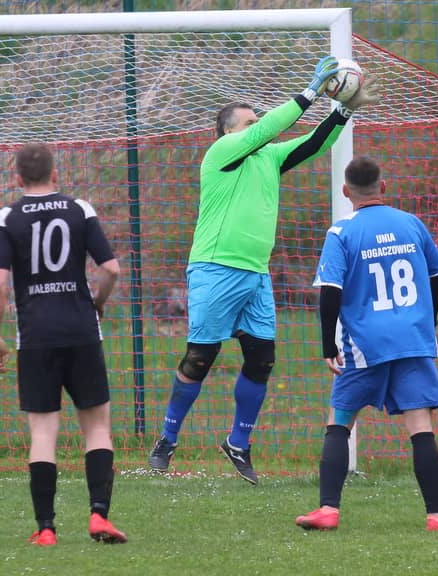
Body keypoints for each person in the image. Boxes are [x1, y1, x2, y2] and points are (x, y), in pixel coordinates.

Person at [147, 56, 380, 485]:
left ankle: (238, 442)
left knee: (261, 359)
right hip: (215, 268)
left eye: (257, 120)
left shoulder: (268, 158)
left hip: (255, 275)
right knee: (200, 358)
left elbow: (313, 143)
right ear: (228, 133)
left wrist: (343, 110)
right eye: (249, 122)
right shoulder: (221, 154)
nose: (257, 126)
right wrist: (310, 92)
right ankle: (167, 439)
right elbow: (268, 129)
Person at [295, 156, 438, 532]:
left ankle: (328, 510)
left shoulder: (342, 232)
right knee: (420, 424)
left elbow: (330, 292)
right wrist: (428, 317)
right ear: (382, 187)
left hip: (365, 344)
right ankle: (437, 516)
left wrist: (327, 345)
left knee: (340, 419)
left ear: (345, 191)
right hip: (413, 340)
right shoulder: (410, 223)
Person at [0, 142, 127, 546]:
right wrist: (97, 302)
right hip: (82, 332)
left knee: (44, 433)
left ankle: (46, 528)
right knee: (96, 427)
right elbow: (111, 269)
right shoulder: (80, 209)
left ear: (17, 178)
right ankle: (99, 516)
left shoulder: (6, 217)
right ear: (55, 174)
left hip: (36, 338)